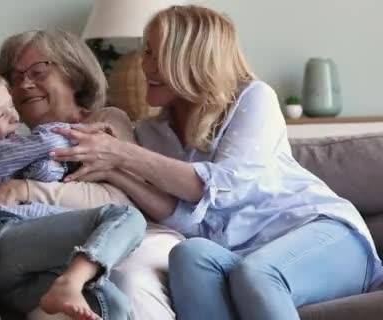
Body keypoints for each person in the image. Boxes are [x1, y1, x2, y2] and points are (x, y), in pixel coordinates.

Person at [48, 5, 383, 320]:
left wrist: (121, 154)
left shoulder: (254, 99)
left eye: (154, 53)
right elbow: (186, 219)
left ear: (191, 58)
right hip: (244, 255)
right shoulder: (153, 134)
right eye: (145, 52)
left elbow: (219, 187)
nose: (144, 65)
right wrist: (117, 173)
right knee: (189, 254)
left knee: (258, 274)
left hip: (323, 236)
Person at [0, 29, 184, 320]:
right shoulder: (8, 141)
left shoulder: (105, 122)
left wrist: (25, 189)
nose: (25, 84)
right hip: (26, 254)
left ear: (73, 72)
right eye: (15, 78)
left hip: (85, 252)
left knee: (108, 297)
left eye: (38, 72)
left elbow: (118, 200)